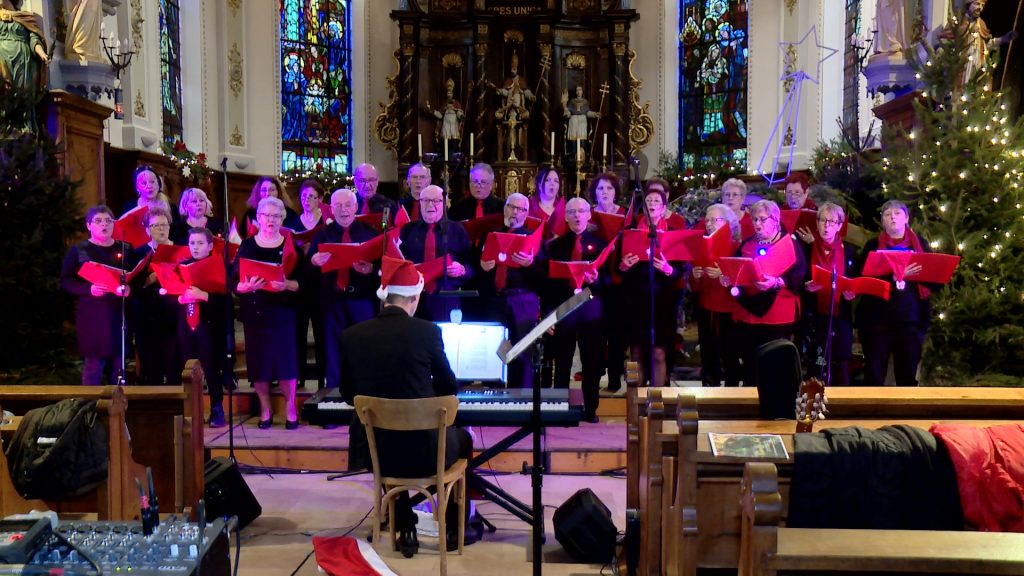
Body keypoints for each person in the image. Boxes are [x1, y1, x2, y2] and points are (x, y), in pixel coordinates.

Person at [340, 257, 473, 558]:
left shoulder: (352, 336)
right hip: (425, 453)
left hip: (377, 453)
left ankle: (404, 523)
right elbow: (448, 387)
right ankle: (454, 529)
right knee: (463, 440)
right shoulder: (427, 332)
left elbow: (349, 394)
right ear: (414, 298)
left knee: (389, 443)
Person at [723, 199, 807, 390]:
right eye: (754, 219)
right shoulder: (747, 244)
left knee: (777, 366)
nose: (757, 224)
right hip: (748, 315)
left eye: (762, 219)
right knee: (751, 366)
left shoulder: (789, 244)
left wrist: (777, 281)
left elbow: (800, 275)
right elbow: (735, 270)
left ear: (775, 220)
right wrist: (729, 279)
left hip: (778, 316)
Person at [235, 197, 302, 430]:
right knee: (259, 363)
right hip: (256, 311)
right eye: (266, 216)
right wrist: (242, 287)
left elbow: (303, 283)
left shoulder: (291, 245)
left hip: (283, 312)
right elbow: (236, 279)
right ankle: (265, 409)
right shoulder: (248, 246)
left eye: (276, 216)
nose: (271, 220)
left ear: (283, 218)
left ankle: (291, 408)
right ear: (258, 219)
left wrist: (288, 285)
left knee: (286, 362)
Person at [854, 200, 937, 386]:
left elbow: (934, 282)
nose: (892, 217)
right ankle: (872, 414)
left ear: (906, 218)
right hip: (876, 323)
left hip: (910, 322)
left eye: (897, 213)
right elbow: (860, 280)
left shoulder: (920, 245)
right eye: (887, 214)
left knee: (907, 378)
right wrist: (896, 275)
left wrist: (916, 274)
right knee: (874, 377)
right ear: (882, 221)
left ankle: (905, 415)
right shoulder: (873, 245)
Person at [542, 197, 608, 422]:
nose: (577, 216)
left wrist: (597, 279)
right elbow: (548, 286)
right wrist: (548, 315)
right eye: (572, 212)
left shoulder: (601, 244)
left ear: (589, 214)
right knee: (562, 360)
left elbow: (610, 283)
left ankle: (591, 409)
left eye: (581, 211)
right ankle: (559, 408)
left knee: (592, 361)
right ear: (566, 217)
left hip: (591, 308)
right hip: (564, 308)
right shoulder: (555, 246)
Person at [309, 189, 380, 391]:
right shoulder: (322, 234)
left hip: (362, 300)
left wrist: (371, 269)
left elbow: (383, 265)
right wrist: (314, 261)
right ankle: (334, 397)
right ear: (331, 209)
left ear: (355, 207)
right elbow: (308, 269)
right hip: (333, 299)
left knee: (364, 348)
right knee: (333, 350)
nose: (343, 210)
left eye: (348, 205)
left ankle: (364, 395)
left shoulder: (369, 232)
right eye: (338, 206)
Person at [60, 205, 139, 385]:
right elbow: (66, 281)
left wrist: (129, 288)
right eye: (98, 221)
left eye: (108, 221)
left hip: (119, 313)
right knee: (94, 365)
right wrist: (89, 289)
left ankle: (118, 410)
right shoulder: (80, 250)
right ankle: (89, 408)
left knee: (120, 364)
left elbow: (136, 277)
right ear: (88, 226)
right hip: (93, 315)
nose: (104, 224)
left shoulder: (126, 248)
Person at [618, 183, 683, 387]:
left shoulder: (672, 233)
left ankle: (657, 401)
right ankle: (636, 402)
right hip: (635, 300)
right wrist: (624, 265)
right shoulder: (630, 231)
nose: (652, 204)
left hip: (663, 300)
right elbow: (617, 268)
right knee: (636, 351)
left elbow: (680, 270)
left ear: (664, 208)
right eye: (648, 201)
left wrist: (667, 269)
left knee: (659, 352)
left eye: (657, 201)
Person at [479, 193, 542, 388]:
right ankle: (495, 397)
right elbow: (476, 269)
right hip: (495, 299)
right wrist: (483, 266)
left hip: (522, 300)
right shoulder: (490, 234)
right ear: (504, 208)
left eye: (520, 209)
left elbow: (544, 276)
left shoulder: (532, 237)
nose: (515, 212)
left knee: (522, 350)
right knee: (494, 349)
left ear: (526, 213)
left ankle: (522, 398)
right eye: (511, 207)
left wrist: (530, 264)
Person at [177, 227, 228, 427]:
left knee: (211, 366)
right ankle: (192, 409)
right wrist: (179, 297)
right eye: (192, 243)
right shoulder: (182, 265)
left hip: (208, 325)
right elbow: (172, 291)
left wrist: (203, 295)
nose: (195, 247)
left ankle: (217, 407)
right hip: (186, 325)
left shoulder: (217, 266)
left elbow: (225, 304)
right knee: (187, 367)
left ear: (209, 246)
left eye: (200, 243)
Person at [398, 185, 472, 322]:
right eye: (425, 200)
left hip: (446, 297)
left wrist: (461, 270)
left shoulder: (457, 230)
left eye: (436, 201)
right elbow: (398, 261)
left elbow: (471, 267)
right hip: (413, 298)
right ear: (420, 203)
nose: (430, 205)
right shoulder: (408, 230)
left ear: (444, 203)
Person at [802, 203, 857, 387]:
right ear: (817, 223)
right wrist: (806, 287)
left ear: (840, 225)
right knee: (814, 364)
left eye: (832, 222)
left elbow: (855, 280)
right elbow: (798, 279)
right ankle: (810, 408)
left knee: (840, 363)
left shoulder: (848, 250)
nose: (827, 226)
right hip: (814, 315)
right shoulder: (807, 248)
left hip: (841, 315)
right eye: (823, 220)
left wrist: (852, 292)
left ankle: (843, 407)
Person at [690, 203, 742, 386]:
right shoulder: (701, 244)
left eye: (715, 220)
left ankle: (732, 394)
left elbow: (743, 279)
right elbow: (695, 287)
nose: (710, 223)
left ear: (728, 223)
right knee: (708, 352)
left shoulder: (737, 246)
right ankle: (708, 388)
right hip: (706, 306)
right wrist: (695, 275)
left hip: (729, 309)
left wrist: (725, 274)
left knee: (730, 354)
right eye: (708, 220)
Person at [131, 207, 182, 385]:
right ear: (147, 229)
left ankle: (178, 410)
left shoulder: (180, 250)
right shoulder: (138, 253)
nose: (161, 229)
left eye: (164, 224)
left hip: (173, 315)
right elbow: (133, 286)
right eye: (155, 225)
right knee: (151, 368)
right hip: (147, 317)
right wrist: (154, 276)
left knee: (174, 365)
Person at [588, 173, 626, 391]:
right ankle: (594, 376)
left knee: (616, 332)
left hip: (619, 280)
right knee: (596, 331)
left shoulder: (625, 215)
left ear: (616, 192)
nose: (605, 193)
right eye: (600, 189)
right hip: (595, 281)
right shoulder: (589, 215)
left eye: (609, 189)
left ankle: (614, 379)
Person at [292, 180, 327, 388]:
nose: (307, 200)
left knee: (321, 331)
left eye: (312, 196)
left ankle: (323, 376)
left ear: (320, 199)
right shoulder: (294, 223)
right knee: (299, 332)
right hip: (299, 284)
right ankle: (300, 375)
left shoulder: (326, 223)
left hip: (320, 284)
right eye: (304, 196)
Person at [0, 0, 49, 133]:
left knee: (22, 93)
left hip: (22, 62)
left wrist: (42, 53)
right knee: (4, 93)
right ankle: (4, 126)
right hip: (2, 62)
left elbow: (34, 38)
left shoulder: (24, 17)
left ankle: (22, 128)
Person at [491, 52, 534, 160]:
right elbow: (505, 92)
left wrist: (531, 96)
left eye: (515, 64)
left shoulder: (521, 80)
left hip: (519, 112)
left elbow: (526, 91)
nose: (513, 66)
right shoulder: (507, 80)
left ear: (517, 66)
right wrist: (499, 91)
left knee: (519, 138)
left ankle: (519, 155)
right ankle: (507, 154)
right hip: (509, 111)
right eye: (512, 64)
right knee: (509, 136)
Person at [529, 165, 567, 240]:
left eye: (556, 181)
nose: (552, 183)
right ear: (539, 185)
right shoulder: (529, 205)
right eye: (547, 180)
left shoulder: (565, 207)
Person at [427, 77, 464, 143]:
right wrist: (432, 110)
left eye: (450, 93)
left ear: (452, 94)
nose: (449, 95)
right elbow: (440, 115)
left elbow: (459, 112)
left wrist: (461, 116)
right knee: (445, 142)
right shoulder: (444, 104)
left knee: (453, 142)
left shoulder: (456, 103)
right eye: (448, 93)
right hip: (446, 125)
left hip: (453, 125)